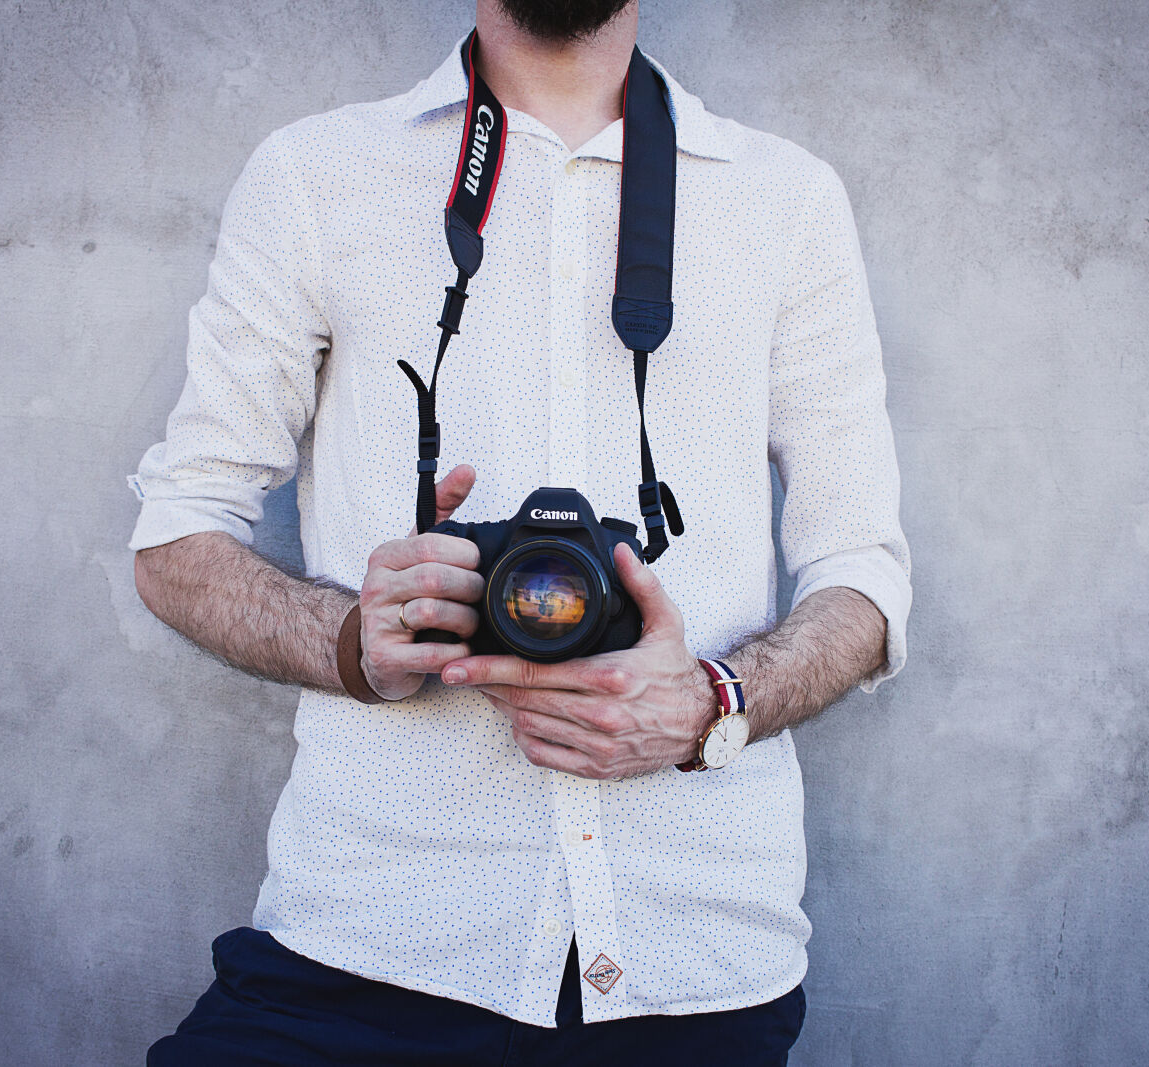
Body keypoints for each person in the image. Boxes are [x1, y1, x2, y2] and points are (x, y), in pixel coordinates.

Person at [128, 0, 910, 1062]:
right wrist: (356, 637)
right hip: (372, 937)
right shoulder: (317, 173)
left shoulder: (785, 198)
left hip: (693, 955)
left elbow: (863, 567)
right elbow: (178, 533)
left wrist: (707, 705)